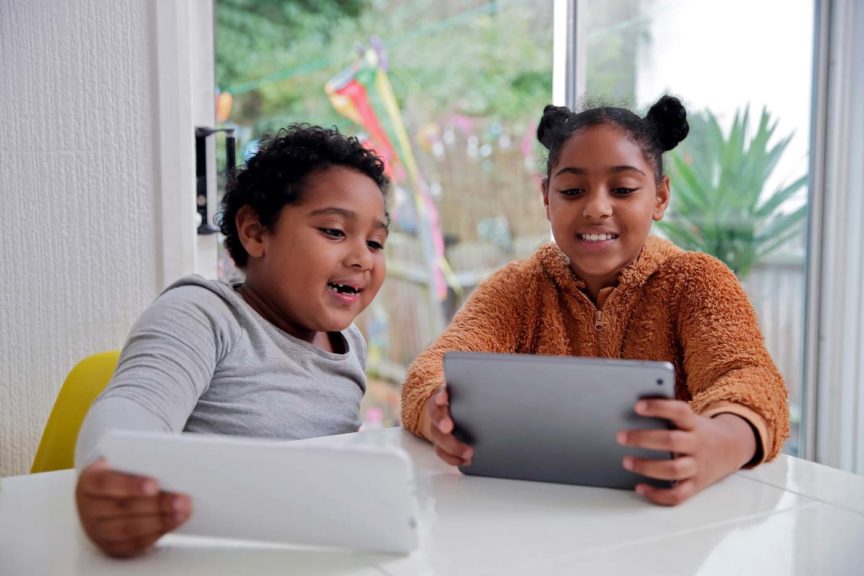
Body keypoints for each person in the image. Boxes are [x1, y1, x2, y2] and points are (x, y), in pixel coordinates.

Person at [401, 95, 789, 506]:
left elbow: (750, 378)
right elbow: (432, 370)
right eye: (572, 190)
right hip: (531, 516)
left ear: (659, 197)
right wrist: (437, 413)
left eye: (622, 189)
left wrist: (721, 442)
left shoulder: (697, 282)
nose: (596, 208)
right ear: (547, 198)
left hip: (661, 522)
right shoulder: (516, 288)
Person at [74, 124, 390, 557]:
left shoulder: (349, 343)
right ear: (255, 233)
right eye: (334, 231)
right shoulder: (203, 314)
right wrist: (112, 475)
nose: (361, 258)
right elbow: (136, 404)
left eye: (375, 242)